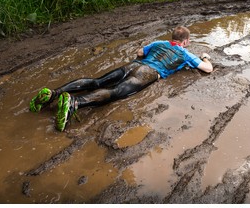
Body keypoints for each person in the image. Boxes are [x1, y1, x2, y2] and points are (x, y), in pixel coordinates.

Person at [29, 26, 213, 131]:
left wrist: (148, 52)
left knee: (97, 81)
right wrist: (205, 56)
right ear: (186, 41)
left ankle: (55, 93)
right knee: (115, 92)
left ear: (172, 37)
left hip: (133, 65)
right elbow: (207, 69)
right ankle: (74, 102)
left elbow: (140, 52)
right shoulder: (186, 53)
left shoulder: (160, 43)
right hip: (148, 73)